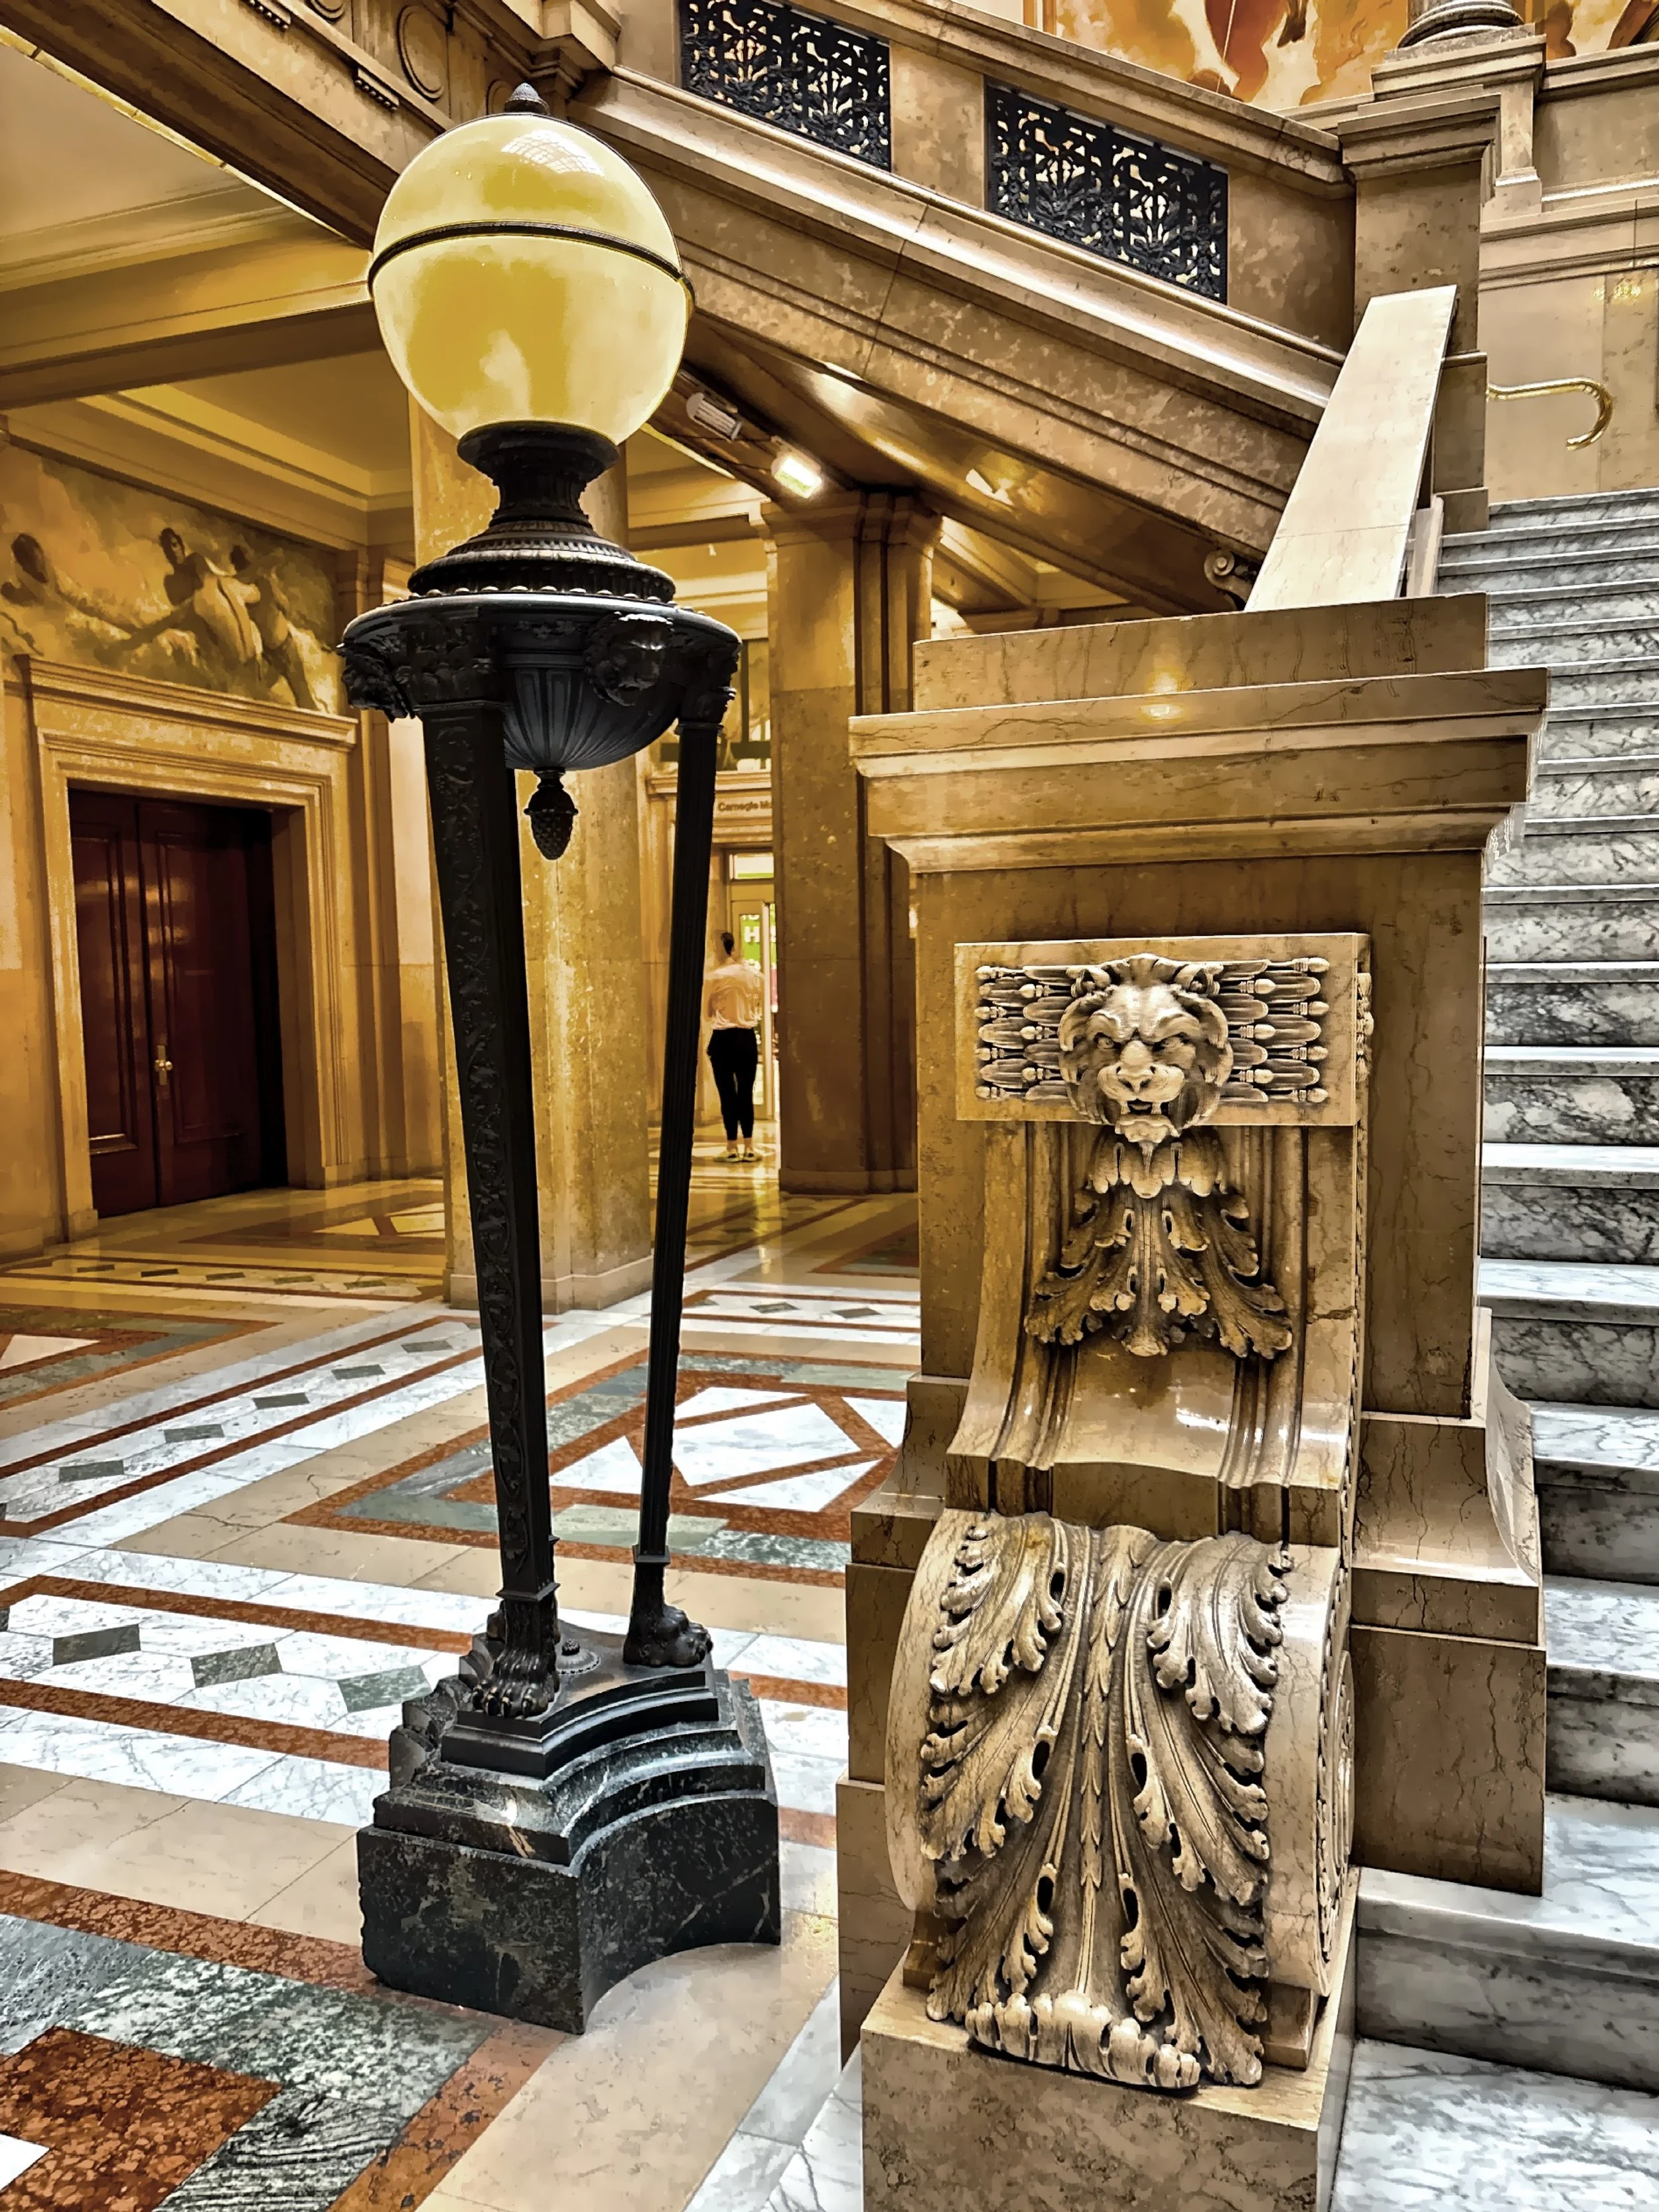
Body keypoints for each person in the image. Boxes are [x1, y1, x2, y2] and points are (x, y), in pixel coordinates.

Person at [704, 931, 764, 1162]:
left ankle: (731, 1148)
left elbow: (708, 1015)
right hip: (746, 1038)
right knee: (746, 1092)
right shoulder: (755, 976)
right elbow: (758, 1006)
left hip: (723, 1039)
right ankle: (749, 1146)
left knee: (727, 1094)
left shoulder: (714, 977)